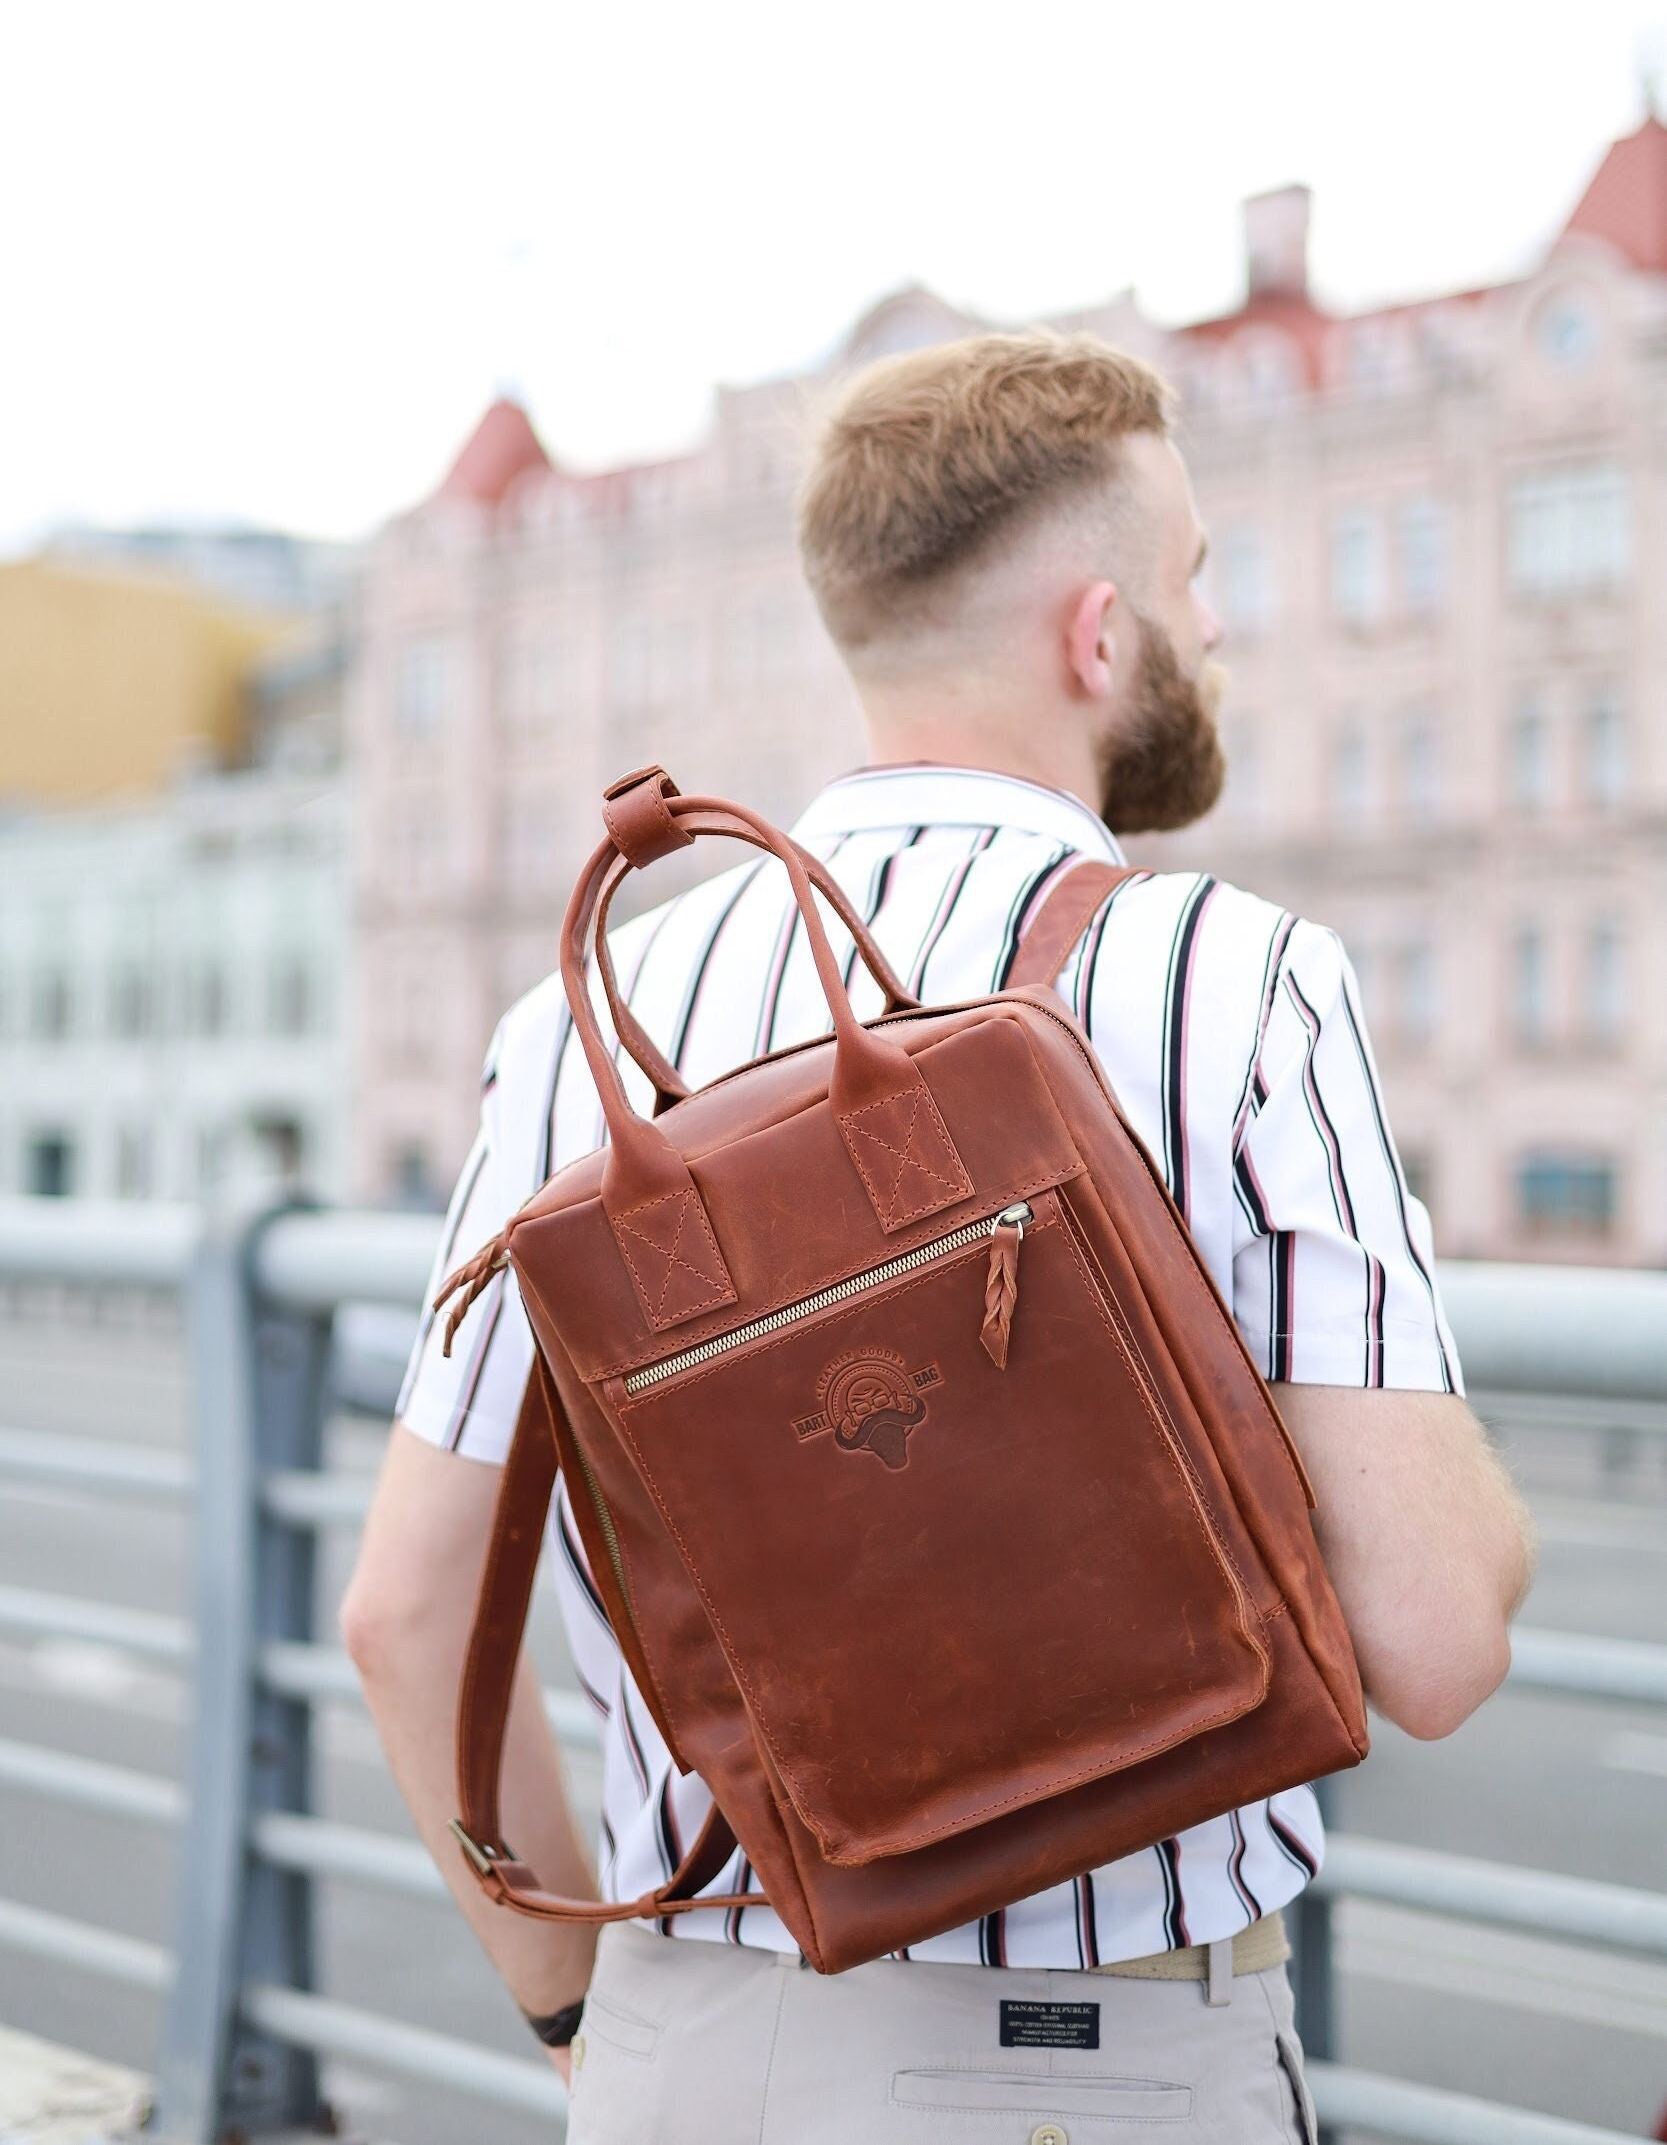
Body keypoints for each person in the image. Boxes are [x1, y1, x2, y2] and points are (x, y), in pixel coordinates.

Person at [342, 331, 1535, 2142]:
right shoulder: (1234, 978)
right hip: (1106, 2066)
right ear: (1097, 628)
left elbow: (405, 1616)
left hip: (697, 2052)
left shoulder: (570, 1029)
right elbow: (1438, 1638)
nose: (1213, 631)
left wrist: (584, 2011)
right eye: (1197, 581)